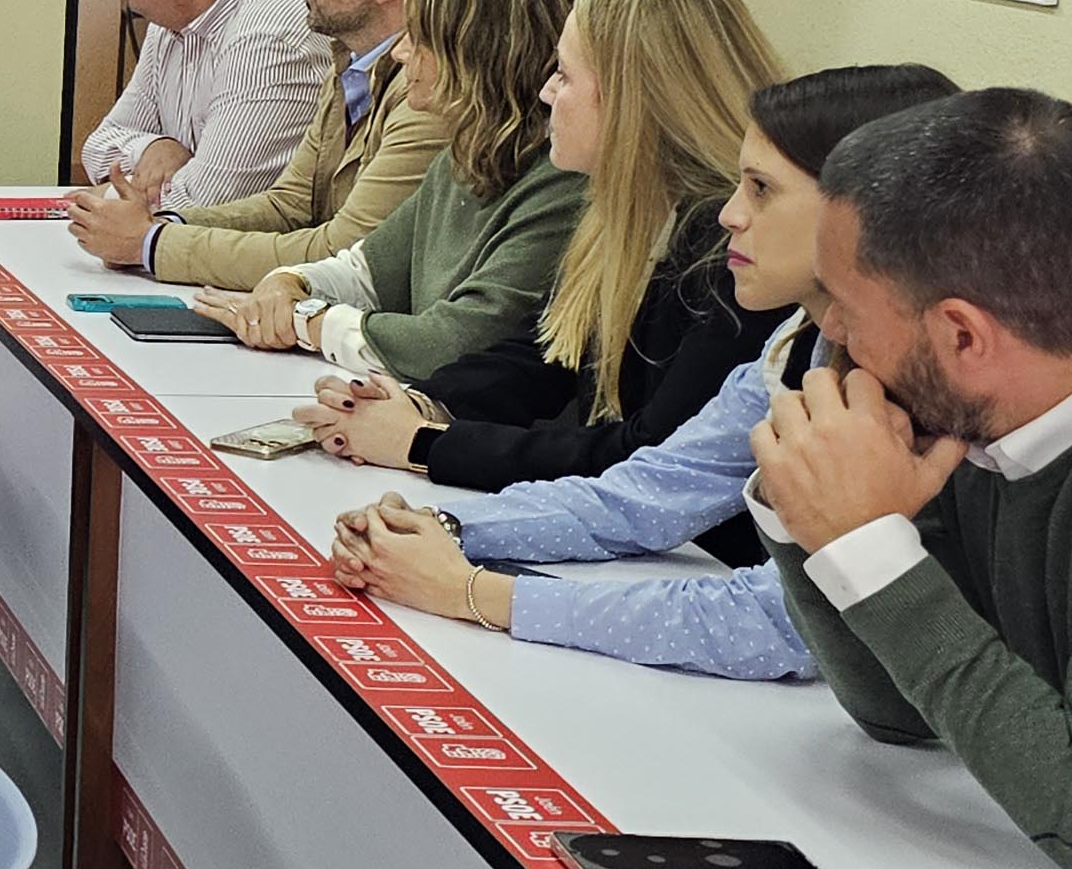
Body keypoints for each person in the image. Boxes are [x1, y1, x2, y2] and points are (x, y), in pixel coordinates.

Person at [327, 65, 959, 680]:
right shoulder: (801, 342)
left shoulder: (933, 392)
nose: (730, 215)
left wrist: (472, 592)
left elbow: (778, 625)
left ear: (859, 215)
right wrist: (445, 528)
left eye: (762, 190)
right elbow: (650, 490)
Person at [752, 90, 1072, 869]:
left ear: (963, 335)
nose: (829, 333)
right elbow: (901, 714)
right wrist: (812, 514)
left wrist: (864, 547)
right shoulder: (986, 389)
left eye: (845, 305)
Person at [294, 0, 785, 497]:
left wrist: (425, 443)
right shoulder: (625, 215)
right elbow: (545, 354)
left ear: (632, 100)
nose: (548, 92)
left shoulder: (727, 248)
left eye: (565, 75)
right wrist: (422, 404)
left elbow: (647, 453)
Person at [199, 0, 584, 382]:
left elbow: (454, 343)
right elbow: (365, 271)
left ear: (475, 54)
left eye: (417, 37)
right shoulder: (464, 158)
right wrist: (290, 282)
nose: (399, 53)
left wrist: (306, 322)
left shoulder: (559, 184)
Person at [73, 0, 477, 281]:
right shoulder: (349, 59)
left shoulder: (431, 93)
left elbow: (345, 252)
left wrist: (151, 243)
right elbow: (289, 204)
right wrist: (162, 223)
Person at [75, 0, 325, 212]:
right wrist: (152, 148)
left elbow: (202, 206)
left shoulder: (270, 39)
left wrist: (105, 196)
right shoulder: (176, 14)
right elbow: (98, 147)